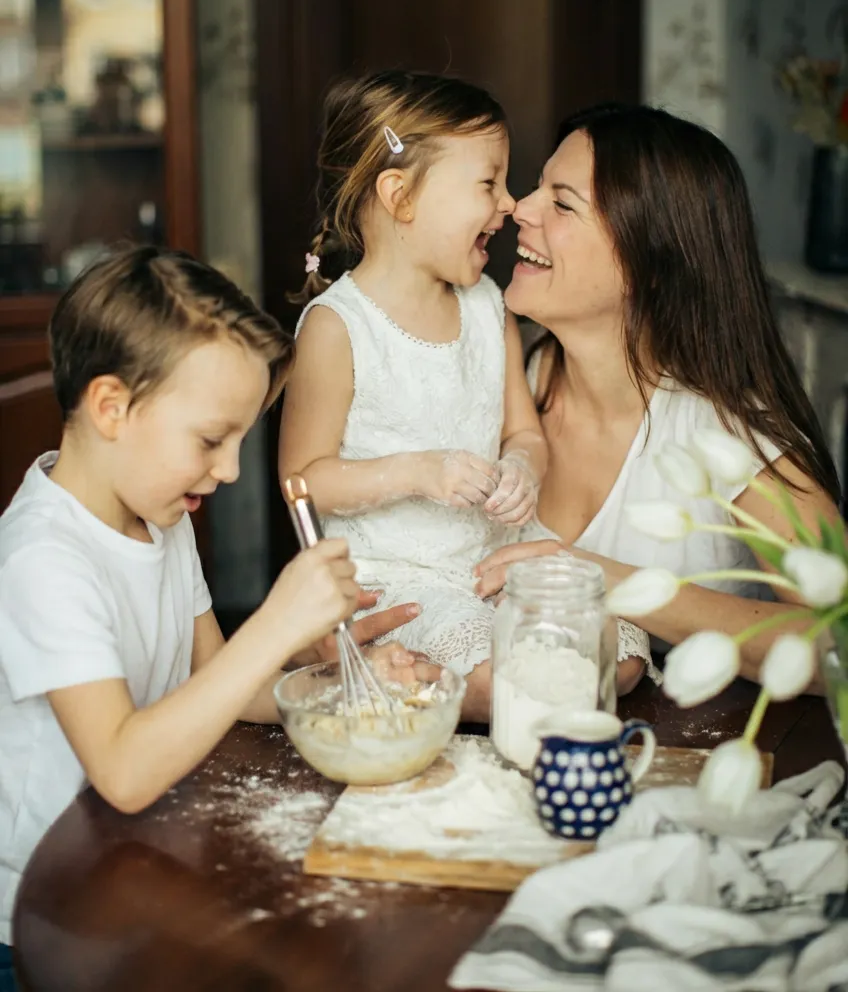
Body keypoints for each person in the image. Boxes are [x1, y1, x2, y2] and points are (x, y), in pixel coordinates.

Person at [0, 246, 432, 984]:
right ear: (112, 408)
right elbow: (125, 770)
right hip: (48, 915)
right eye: (210, 439)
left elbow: (223, 688)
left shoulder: (157, 518)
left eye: (239, 441)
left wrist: (324, 675)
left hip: (139, 865)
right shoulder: (43, 559)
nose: (230, 470)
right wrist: (272, 625)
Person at [279, 71, 653, 722]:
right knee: (506, 678)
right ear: (400, 198)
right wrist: (419, 471)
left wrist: (522, 469)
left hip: (494, 554)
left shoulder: (488, 308)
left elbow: (523, 433)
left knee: (619, 652)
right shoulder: (340, 328)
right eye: (489, 183)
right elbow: (302, 481)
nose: (510, 205)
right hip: (400, 576)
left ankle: (528, 709)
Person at [473, 102, 842, 684]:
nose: (520, 208)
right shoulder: (495, 369)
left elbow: (837, 642)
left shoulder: (730, 435)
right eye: (538, 187)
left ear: (650, 261)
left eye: (562, 202)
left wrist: (611, 582)